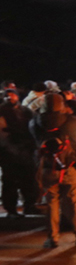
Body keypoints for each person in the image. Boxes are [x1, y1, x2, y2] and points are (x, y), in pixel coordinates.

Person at [33, 95, 76, 247]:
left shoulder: (35, 123)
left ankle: (52, 238)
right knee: (73, 202)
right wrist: (75, 103)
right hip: (70, 167)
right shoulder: (69, 121)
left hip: (47, 168)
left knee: (52, 204)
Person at [0, 88, 40, 217]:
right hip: (8, 151)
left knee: (29, 179)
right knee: (10, 181)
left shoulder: (25, 111)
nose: (9, 97)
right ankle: (11, 209)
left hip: (26, 149)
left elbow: (34, 126)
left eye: (12, 95)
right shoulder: (1, 111)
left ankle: (30, 205)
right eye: (7, 95)